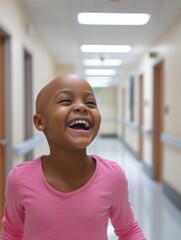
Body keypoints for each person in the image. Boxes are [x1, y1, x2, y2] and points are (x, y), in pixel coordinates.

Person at [0, 74, 145, 240]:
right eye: (65, 101)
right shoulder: (20, 178)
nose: (82, 107)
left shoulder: (113, 176)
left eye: (90, 102)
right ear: (40, 122)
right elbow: (12, 234)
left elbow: (129, 231)